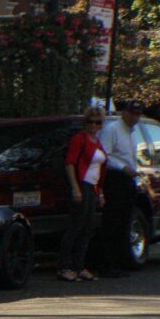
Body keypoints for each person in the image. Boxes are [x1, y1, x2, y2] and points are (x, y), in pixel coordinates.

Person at [95, 99, 144, 278]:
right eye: (132, 113)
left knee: (124, 223)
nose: (134, 117)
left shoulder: (132, 133)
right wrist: (123, 168)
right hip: (115, 179)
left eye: (138, 114)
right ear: (124, 112)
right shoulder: (112, 130)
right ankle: (106, 264)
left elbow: (129, 156)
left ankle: (119, 262)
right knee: (112, 222)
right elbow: (104, 156)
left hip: (128, 181)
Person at [58, 106, 107, 282]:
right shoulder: (79, 139)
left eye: (98, 122)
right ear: (85, 122)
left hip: (93, 188)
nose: (94, 125)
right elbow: (70, 163)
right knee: (75, 226)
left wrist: (100, 192)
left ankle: (79, 266)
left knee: (87, 228)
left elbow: (100, 168)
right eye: (90, 121)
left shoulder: (97, 142)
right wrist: (75, 187)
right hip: (82, 185)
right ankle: (64, 267)